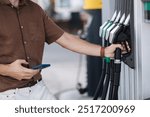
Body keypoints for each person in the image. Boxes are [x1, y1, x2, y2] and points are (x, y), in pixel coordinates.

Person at [0, 0, 123, 100]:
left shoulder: (35, 10)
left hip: (37, 89)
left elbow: (65, 39)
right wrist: (7, 70)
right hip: (5, 94)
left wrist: (104, 51)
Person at [83, 0, 103, 97]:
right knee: (95, 50)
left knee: (95, 49)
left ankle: (95, 89)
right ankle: (95, 89)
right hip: (97, 7)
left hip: (97, 7)